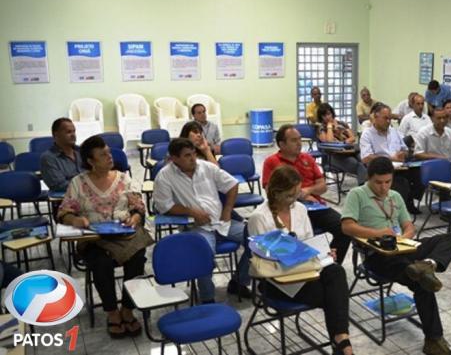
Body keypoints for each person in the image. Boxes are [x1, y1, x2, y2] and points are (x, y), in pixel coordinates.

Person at [341, 157, 451, 355]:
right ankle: (434, 339)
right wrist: (379, 234)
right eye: (378, 182)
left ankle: (427, 264)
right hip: (378, 254)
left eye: (388, 182)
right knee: (423, 282)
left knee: (449, 238)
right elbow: (347, 226)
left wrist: (404, 239)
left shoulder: (394, 196)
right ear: (369, 178)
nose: (383, 187)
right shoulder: (357, 194)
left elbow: (409, 226)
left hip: (403, 247)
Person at [248, 166, 354, 355]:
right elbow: (264, 260)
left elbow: (308, 245)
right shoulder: (259, 217)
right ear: (275, 192)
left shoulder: (300, 209)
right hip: (278, 280)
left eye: (296, 194)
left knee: (336, 271)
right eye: (289, 196)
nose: (293, 200)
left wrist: (324, 253)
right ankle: (342, 343)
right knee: (333, 297)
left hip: (305, 272)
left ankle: (341, 341)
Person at [57, 135, 153, 339]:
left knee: (137, 257)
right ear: (90, 161)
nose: (109, 157)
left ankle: (127, 309)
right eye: (103, 155)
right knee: (101, 263)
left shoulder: (123, 178)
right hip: (94, 238)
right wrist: (74, 220)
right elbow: (64, 211)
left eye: (109, 152)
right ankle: (112, 312)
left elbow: (138, 206)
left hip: (124, 236)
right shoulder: (79, 183)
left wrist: (135, 217)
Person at [153, 138, 251, 302]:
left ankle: (239, 282)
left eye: (193, 154)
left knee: (256, 240)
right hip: (196, 227)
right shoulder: (164, 176)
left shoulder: (206, 167)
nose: (193, 159)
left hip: (222, 222)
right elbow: (165, 206)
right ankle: (207, 298)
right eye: (187, 156)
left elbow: (232, 185)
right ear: (174, 159)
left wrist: (227, 210)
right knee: (204, 254)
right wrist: (191, 212)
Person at [262, 125, 351, 263]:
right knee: (301, 237)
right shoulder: (272, 162)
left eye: (299, 139)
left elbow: (323, 187)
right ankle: (307, 263)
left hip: (315, 207)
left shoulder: (307, 158)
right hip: (288, 208)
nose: (299, 143)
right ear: (282, 144)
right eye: (293, 140)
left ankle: (329, 263)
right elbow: (270, 191)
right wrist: (298, 196)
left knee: (344, 228)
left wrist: (307, 191)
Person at [360, 103, 423, 214]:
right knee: (402, 183)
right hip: (380, 169)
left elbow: (405, 149)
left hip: (400, 166)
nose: (388, 121)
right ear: (375, 117)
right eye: (385, 118)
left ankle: (408, 201)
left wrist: (404, 153)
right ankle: (396, 211)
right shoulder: (367, 134)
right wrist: (390, 158)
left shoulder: (394, 131)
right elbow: (366, 158)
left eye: (390, 118)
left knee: (420, 173)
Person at [316, 103, 367, 184]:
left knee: (365, 160)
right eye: (324, 115)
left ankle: (369, 187)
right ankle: (364, 189)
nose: (327, 117)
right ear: (321, 117)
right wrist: (329, 126)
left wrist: (343, 141)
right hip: (334, 155)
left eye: (328, 114)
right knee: (356, 164)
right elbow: (330, 142)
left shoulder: (341, 124)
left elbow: (353, 138)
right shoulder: (321, 128)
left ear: (332, 113)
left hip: (349, 151)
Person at [41, 118, 83, 192]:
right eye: (68, 132)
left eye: (74, 131)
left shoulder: (82, 151)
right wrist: (88, 186)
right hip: (66, 198)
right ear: (56, 135)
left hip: (90, 195)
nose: (73, 135)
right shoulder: (48, 158)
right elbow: (58, 185)